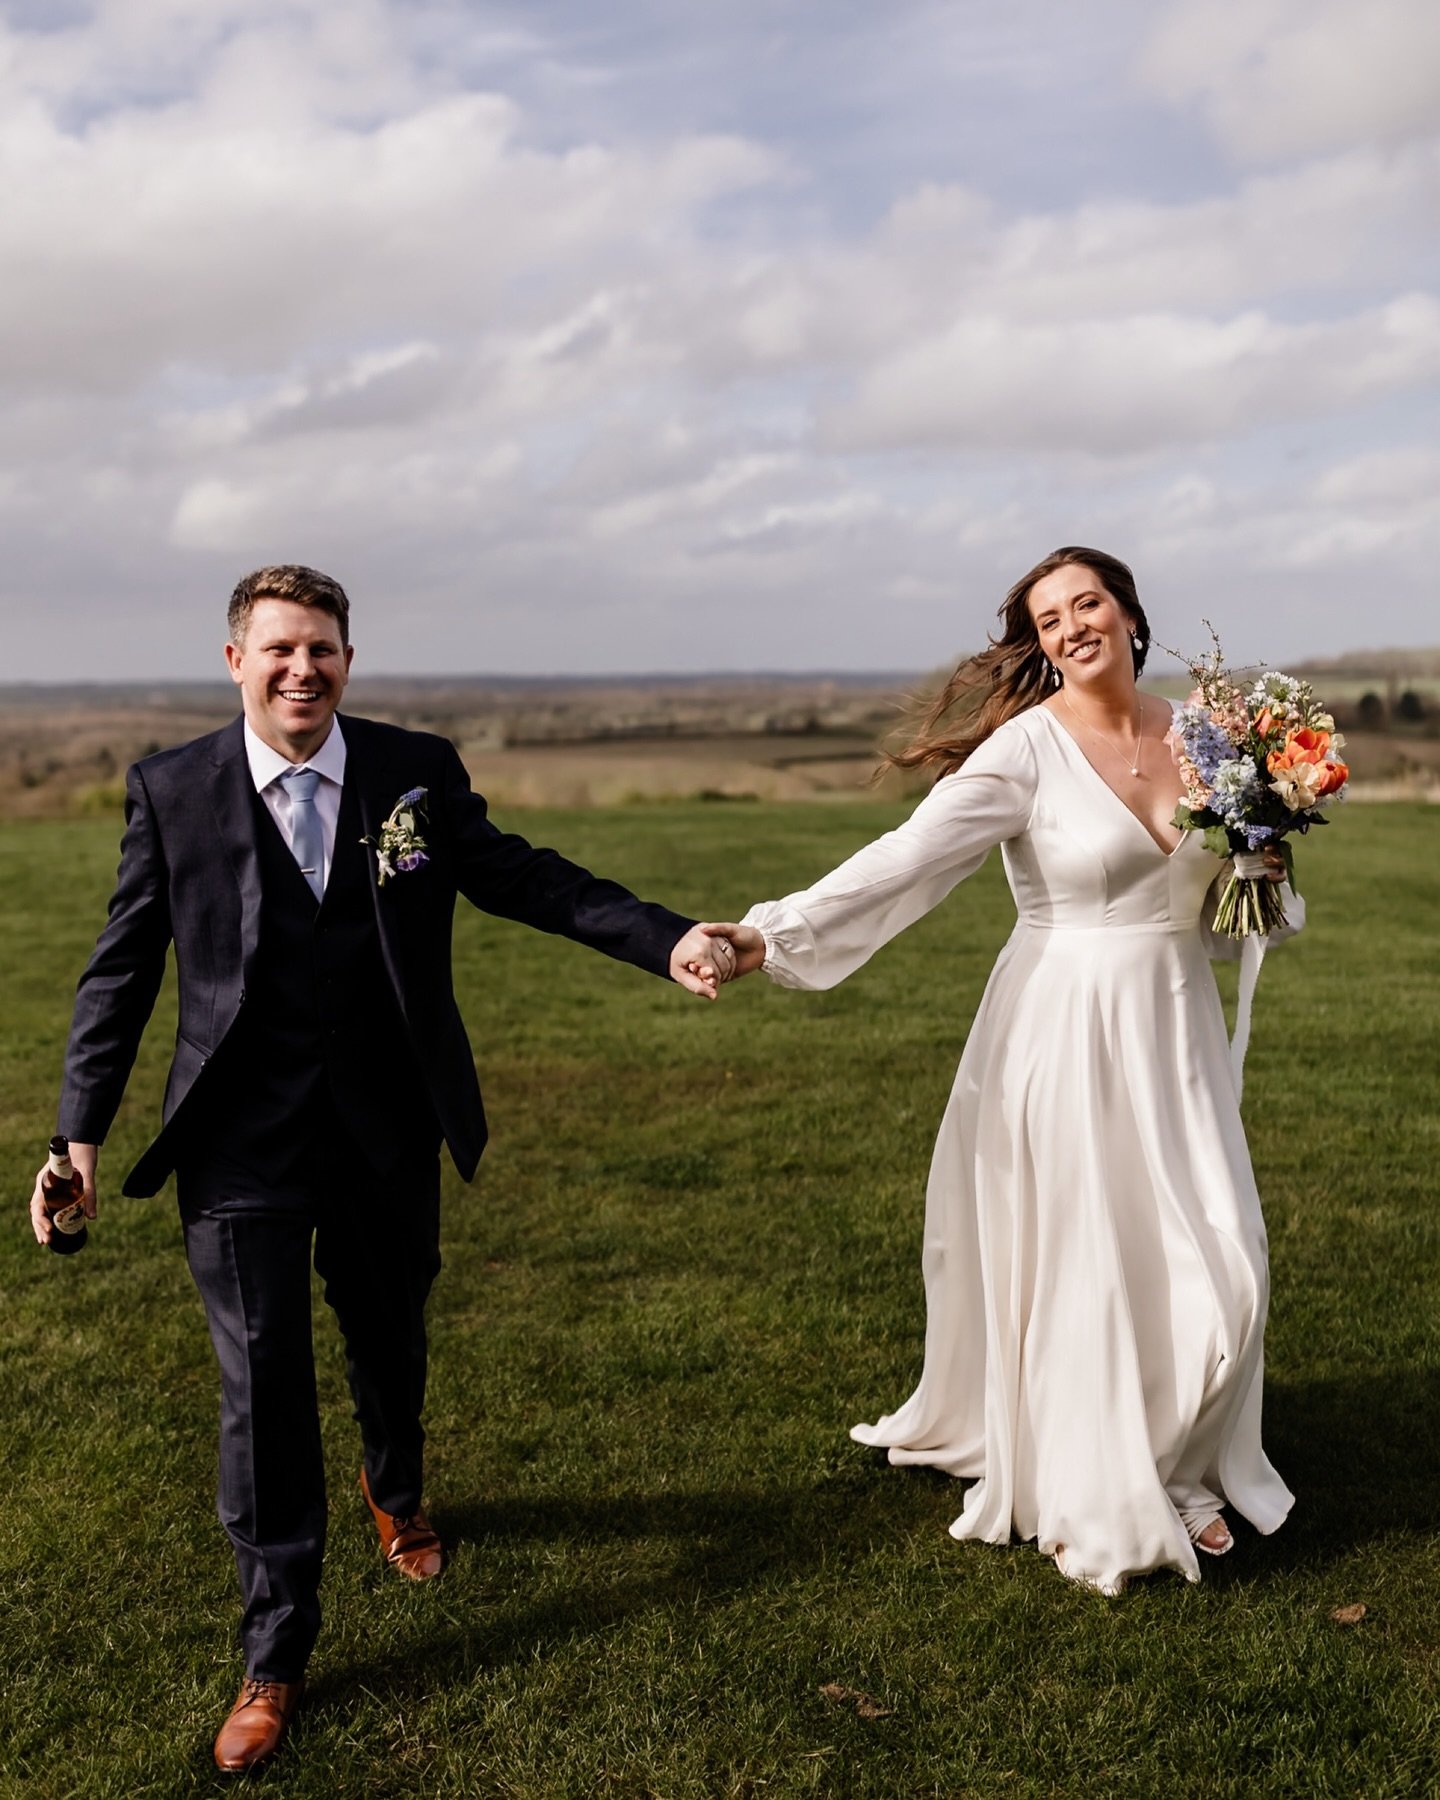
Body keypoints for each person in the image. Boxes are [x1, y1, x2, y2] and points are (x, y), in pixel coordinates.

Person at [29, 565, 732, 1773]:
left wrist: (661, 938)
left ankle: (395, 1487)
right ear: (236, 659)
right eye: (281, 649)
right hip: (238, 1138)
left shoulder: (414, 770)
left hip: (386, 1122)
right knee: (262, 1389)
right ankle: (275, 1655)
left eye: (325, 649)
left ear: (349, 659)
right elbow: (121, 971)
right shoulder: (173, 790)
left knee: (390, 1332)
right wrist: (74, 1135)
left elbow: (525, 876)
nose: (304, 669)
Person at [699, 547, 1302, 1596]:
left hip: (1174, 1028)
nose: (1076, 625)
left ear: (1128, 613)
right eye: (1052, 616)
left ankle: (1186, 1460)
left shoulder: (1205, 737)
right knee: (1093, 1256)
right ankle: (1106, 1482)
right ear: (1039, 642)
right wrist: (767, 936)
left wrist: (1266, 860)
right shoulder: (1025, 751)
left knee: (1221, 1258)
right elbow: (909, 857)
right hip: (1061, 1027)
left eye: (1091, 602)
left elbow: (1230, 913)